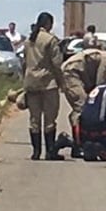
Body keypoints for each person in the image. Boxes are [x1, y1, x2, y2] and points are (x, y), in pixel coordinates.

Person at [61, 48, 106, 157]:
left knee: (85, 106)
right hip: (71, 73)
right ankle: (77, 144)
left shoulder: (105, 58)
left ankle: (80, 142)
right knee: (82, 108)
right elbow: (101, 85)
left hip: (78, 74)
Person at [22, 11, 66, 161]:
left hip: (31, 83)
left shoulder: (29, 40)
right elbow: (57, 64)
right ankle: (50, 152)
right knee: (49, 119)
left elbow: (24, 63)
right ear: (48, 24)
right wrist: (62, 82)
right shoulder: (50, 40)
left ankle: (36, 152)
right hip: (48, 83)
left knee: (34, 119)